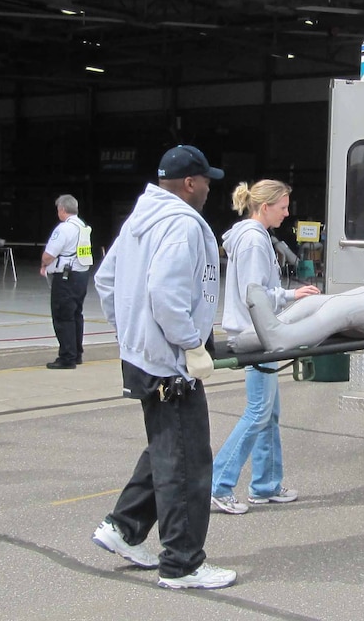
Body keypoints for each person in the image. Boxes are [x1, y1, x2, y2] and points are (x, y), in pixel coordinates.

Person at [90, 144, 236, 590]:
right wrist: (190, 345)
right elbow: (166, 293)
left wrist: (130, 331)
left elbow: (106, 279)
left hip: (141, 355)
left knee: (166, 447)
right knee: (187, 461)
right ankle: (183, 563)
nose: (210, 187)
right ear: (189, 183)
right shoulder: (183, 225)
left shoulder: (140, 218)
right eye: (206, 179)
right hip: (171, 362)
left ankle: (124, 528)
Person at [210, 180, 319, 515]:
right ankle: (218, 485)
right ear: (265, 206)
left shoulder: (250, 236)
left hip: (257, 330)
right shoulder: (255, 241)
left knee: (268, 412)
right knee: (258, 411)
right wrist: (291, 295)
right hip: (256, 332)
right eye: (283, 207)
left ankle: (266, 485)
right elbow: (254, 293)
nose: (287, 213)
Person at [40, 194, 93, 370]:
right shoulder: (84, 227)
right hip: (81, 276)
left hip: (66, 278)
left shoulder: (64, 229)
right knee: (76, 314)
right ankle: (76, 353)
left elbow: (49, 254)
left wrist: (44, 264)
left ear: (62, 209)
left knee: (63, 316)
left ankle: (67, 357)